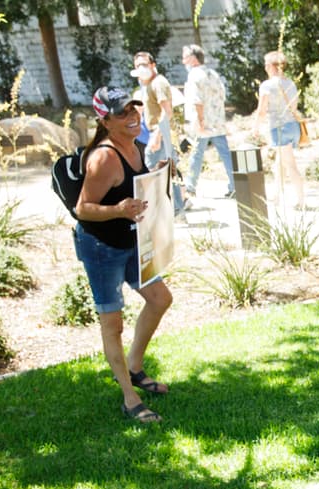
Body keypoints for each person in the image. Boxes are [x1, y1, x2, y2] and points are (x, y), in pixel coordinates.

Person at [74, 87, 173, 424]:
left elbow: (132, 188)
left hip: (129, 240)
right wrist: (118, 209)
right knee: (112, 324)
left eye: (135, 110)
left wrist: (156, 174)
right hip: (101, 247)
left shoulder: (133, 146)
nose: (133, 118)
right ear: (104, 120)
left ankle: (134, 367)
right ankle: (130, 399)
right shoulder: (103, 157)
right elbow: (83, 209)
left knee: (160, 298)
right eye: (123, 114)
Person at [130, 52, 183, 213]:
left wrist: (157, 136)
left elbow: (166, 112)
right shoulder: (148, 85)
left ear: (153, 65)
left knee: (149, 170)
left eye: (144, 64)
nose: (141, 68)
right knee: (168, 169)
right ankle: (177, 208)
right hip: (159, 132)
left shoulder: (158, 83)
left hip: (161, 132)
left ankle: (155, 210)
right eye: (138, 65)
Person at [181, 45, 234, 199]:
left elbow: (196, 100)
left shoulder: (194, 76)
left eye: (185, 57)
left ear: (192, 58)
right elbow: (222, 95)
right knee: (225, 154)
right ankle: (234, 185)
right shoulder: (213, 73)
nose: (183, 61)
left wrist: (200, 120)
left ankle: (190, 187)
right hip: (217, 122)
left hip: (202, 122)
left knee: (196, 154)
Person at [255, 50, 304, 210]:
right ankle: (275, 196)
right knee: (280, 163)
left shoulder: (267, 85)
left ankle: (301, 200)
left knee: (290, 164)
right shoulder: (290, 83)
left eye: (266, 64)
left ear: (270, 66)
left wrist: (255, 127)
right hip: (292, 126)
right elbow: (294, 106)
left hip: (278, 127)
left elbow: (262, 110)